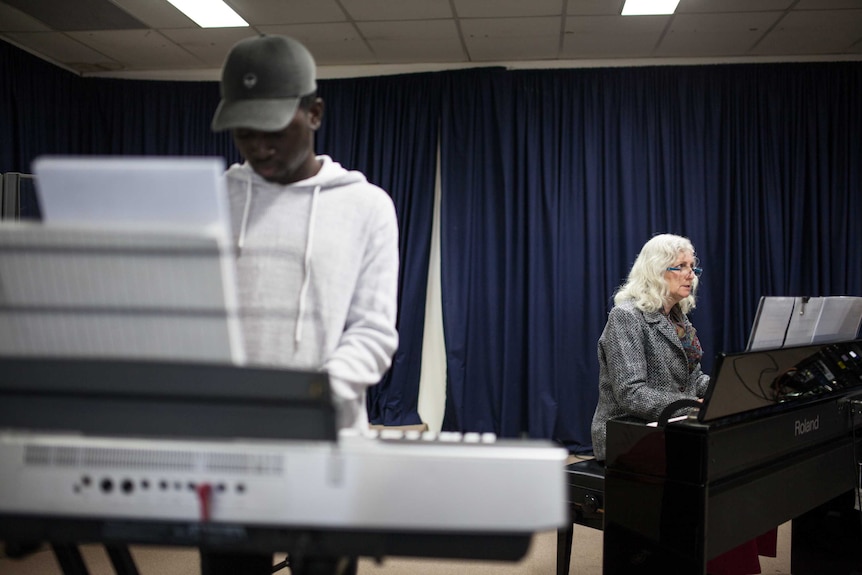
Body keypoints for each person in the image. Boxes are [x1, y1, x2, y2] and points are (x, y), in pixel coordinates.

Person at [202, 34, 400, 575]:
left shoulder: (367, 206)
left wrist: (306, 397)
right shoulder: (213, 200)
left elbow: (373, 332)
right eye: (244, 132)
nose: (258, 146)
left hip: (325, 440)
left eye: (272, 130)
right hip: (227, 445)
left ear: (314, 112)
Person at [590, 233, 776, 575]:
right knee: (712, 463)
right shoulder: (626, 317)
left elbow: (695, 380)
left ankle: (722, 562)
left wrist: (729, 388)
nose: (692, 274)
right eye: (682, 267)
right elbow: (631, 392)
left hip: (672, 426)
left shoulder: (679, 320)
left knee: (739, 452)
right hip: (627, 432)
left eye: (694, 267)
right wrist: (695, 405)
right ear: (658, 271)